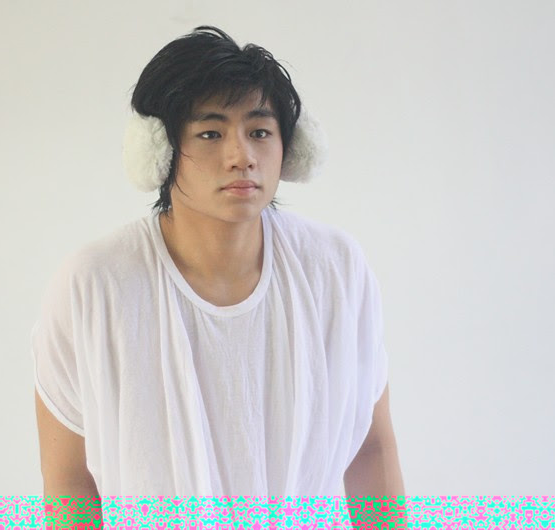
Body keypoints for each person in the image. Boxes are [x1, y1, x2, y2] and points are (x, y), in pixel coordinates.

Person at [32, 25, 405, 500]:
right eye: (210, 133)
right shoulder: (94, 285)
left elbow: (371, 448)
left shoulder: (336, 269)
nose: (241, 156)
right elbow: (69, 479)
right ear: (158, 150)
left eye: (259, 132)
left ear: (292, 148)